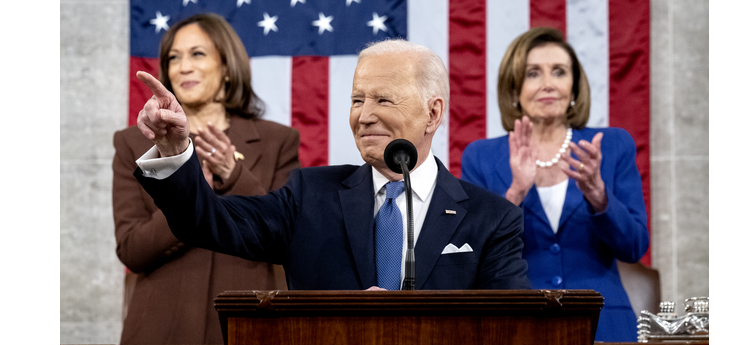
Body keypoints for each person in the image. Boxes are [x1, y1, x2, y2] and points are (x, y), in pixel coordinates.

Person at [130, 39, 530, 292]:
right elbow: (207, 221)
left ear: (432, 113)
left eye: (383, 100)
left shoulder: (492, 219)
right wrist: (175, 149)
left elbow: (510, 332)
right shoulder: (309, 196)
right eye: (358, 100)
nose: (364, 116)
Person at [112, 13, 300, 345]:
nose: (183, 66)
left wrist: (234, 174)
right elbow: (132, 250)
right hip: (160, 337)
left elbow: (286, 240)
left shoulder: (277, 141)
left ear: (227, 66)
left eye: (197, 54)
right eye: (174, 57)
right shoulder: (134, 142)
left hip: (251, 332)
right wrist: (187, 188)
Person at [461, 27, 649, 342]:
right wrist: (515, 194)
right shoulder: (481, 157)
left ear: (574, 87)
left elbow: (634, 247)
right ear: (514, 89)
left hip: (604, 326)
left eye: (559, 72)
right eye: (533, 73)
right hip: (519, 327)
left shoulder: (613, 145)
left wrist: (600, 198)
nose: (548, 84)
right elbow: (471, 256)